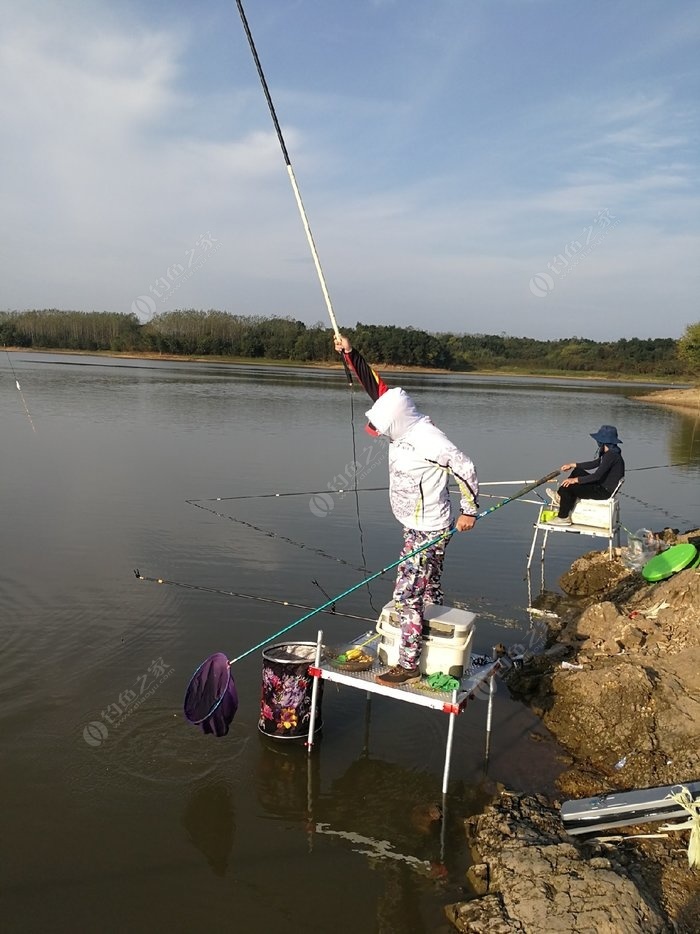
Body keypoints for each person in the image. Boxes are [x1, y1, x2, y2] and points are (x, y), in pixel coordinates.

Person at [334, 335, 479, 685]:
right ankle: (431, 628)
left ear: (395, 421)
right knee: (428, 586)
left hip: (431, 528)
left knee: (406, 595)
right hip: (414, 523)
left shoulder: (431, 441)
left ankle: (408, 662)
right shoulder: (397, 412)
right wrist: (352, 354)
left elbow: (466, 468)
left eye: (382, 429)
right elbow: (375, 387)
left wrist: (469, 510)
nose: (381, 434)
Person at [546, 425, 625, 526]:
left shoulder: (611, 455)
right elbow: (594, 463)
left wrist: (575, 480)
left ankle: (563, 517)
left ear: (603, 441)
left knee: (570, 486)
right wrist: (572, 465)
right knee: (577, 471)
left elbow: (597, 476)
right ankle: (561, 497)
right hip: (600, 485)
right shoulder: (610, 452)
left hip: (603, 491)